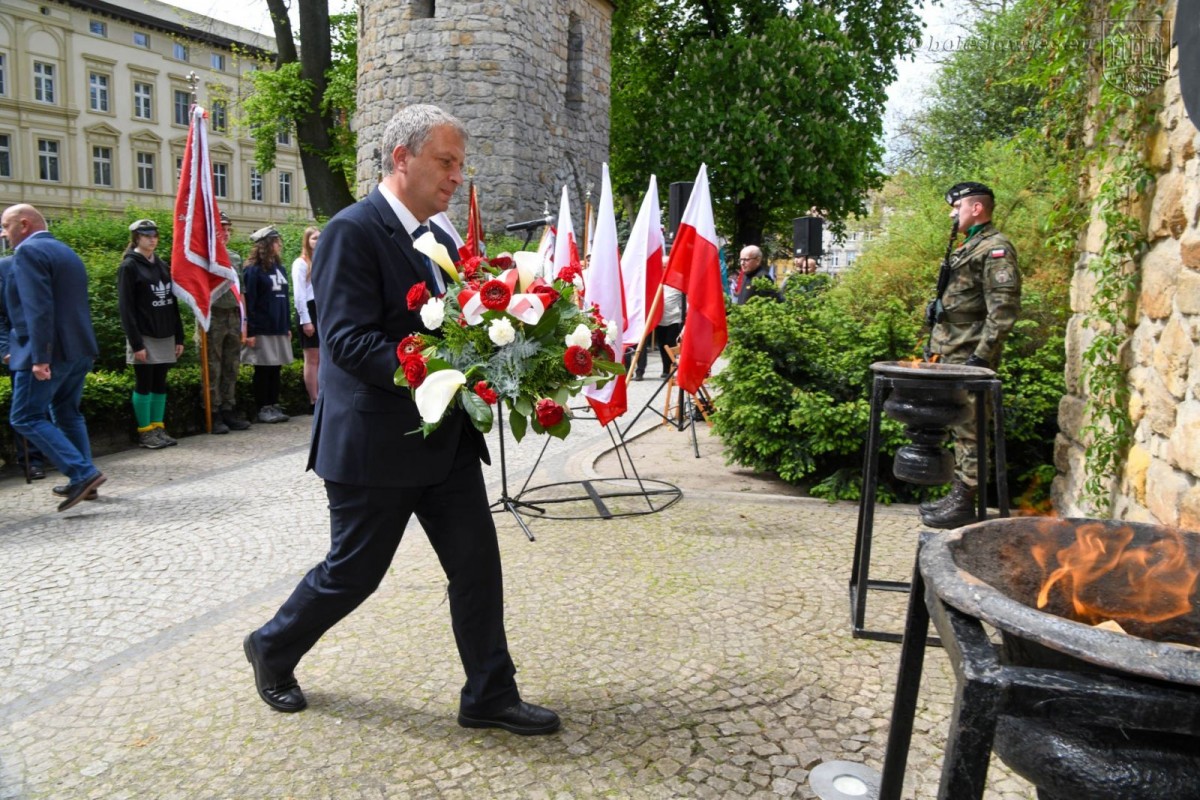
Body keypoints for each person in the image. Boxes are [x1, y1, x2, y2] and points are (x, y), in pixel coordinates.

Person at [244, 103, 560, 736]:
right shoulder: (350, 232)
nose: (455, 176)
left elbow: (461, 323)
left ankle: (489, 695)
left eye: (459, 164)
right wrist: (444, 369)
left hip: (442, 440)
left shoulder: (438, 235)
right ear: (402, 158)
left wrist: (503, 353)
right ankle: (272, 647)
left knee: (476, 566)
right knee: (353, 574)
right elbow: (347, 342)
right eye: (446, 162)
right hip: (373, 443)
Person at [919, 182, 1021, 529]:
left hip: (969, 354)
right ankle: (958, 492)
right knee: (958, 427)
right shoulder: (968, 247)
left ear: (977, 208)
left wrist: (983, 358)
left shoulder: (996, 249)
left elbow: (1003, 310)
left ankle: (966, 498)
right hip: (951, 349)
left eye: (958, 206)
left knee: (971, 429)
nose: (953, 213)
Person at [0, 204, 105, 511]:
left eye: (5, 227)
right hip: (79, 348)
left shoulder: (28, 253)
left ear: (23, 224)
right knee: (67, 411)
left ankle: (83, 474)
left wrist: (40, 356)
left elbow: (38, 307)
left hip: (49, 351)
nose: (3, 234)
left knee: (25, 416)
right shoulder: (65, 251)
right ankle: (87, 482)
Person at [117, 219, 185, 449]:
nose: (152, 239)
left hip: (164, 333)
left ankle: (158, 426)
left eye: (154, 235)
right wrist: (136, 343)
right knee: (144, 382)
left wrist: (179, 336)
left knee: (160, 383)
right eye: (146, 235)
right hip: (143, 335)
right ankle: (145, 431)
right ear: (136, 238)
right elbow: (126, 308)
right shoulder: (129, 266)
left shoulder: (162, 265)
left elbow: (172, 303)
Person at [203, 211, 251, 435]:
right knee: (213, 366)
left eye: (229, 229)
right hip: (214, 315)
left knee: (232, 365)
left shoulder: (234, 258)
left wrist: (244, 321)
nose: (226, 233)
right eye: (222, 229)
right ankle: (213, 412)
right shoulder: (205, 257)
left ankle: (228, 408)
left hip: (233, 314)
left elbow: (241, 292)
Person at [0, 254, 48, 480]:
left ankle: (59, 454)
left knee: (54, 403)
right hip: (21, 346)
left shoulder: (47, 262)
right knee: (26, 407)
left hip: (52, 346)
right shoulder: (5, 267)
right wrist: (5, 349)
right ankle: (32, 460)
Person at [241, 226, 292, 424]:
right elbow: (250, 302)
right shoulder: (252, 270)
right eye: (276, 241)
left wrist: (286, 325)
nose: (279, 245)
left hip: (278, 325)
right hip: (262, 327)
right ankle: (263, 406)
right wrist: (251, 330)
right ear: (266, 244)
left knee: (276, 367)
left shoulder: (280, 268)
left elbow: (284, 299)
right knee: (263, 368)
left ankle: (273, 403)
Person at [292, 226, 321, 409]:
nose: (317, 242)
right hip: (308, 310)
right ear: (307, 241)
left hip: (320, 308)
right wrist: (306, 320)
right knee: (311, 357)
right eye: (314, 238)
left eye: (319, 238)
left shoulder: (321, 260)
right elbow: (299, 294)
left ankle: (322, 394)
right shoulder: (300, 263)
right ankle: (314, 398)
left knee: (322, 357)